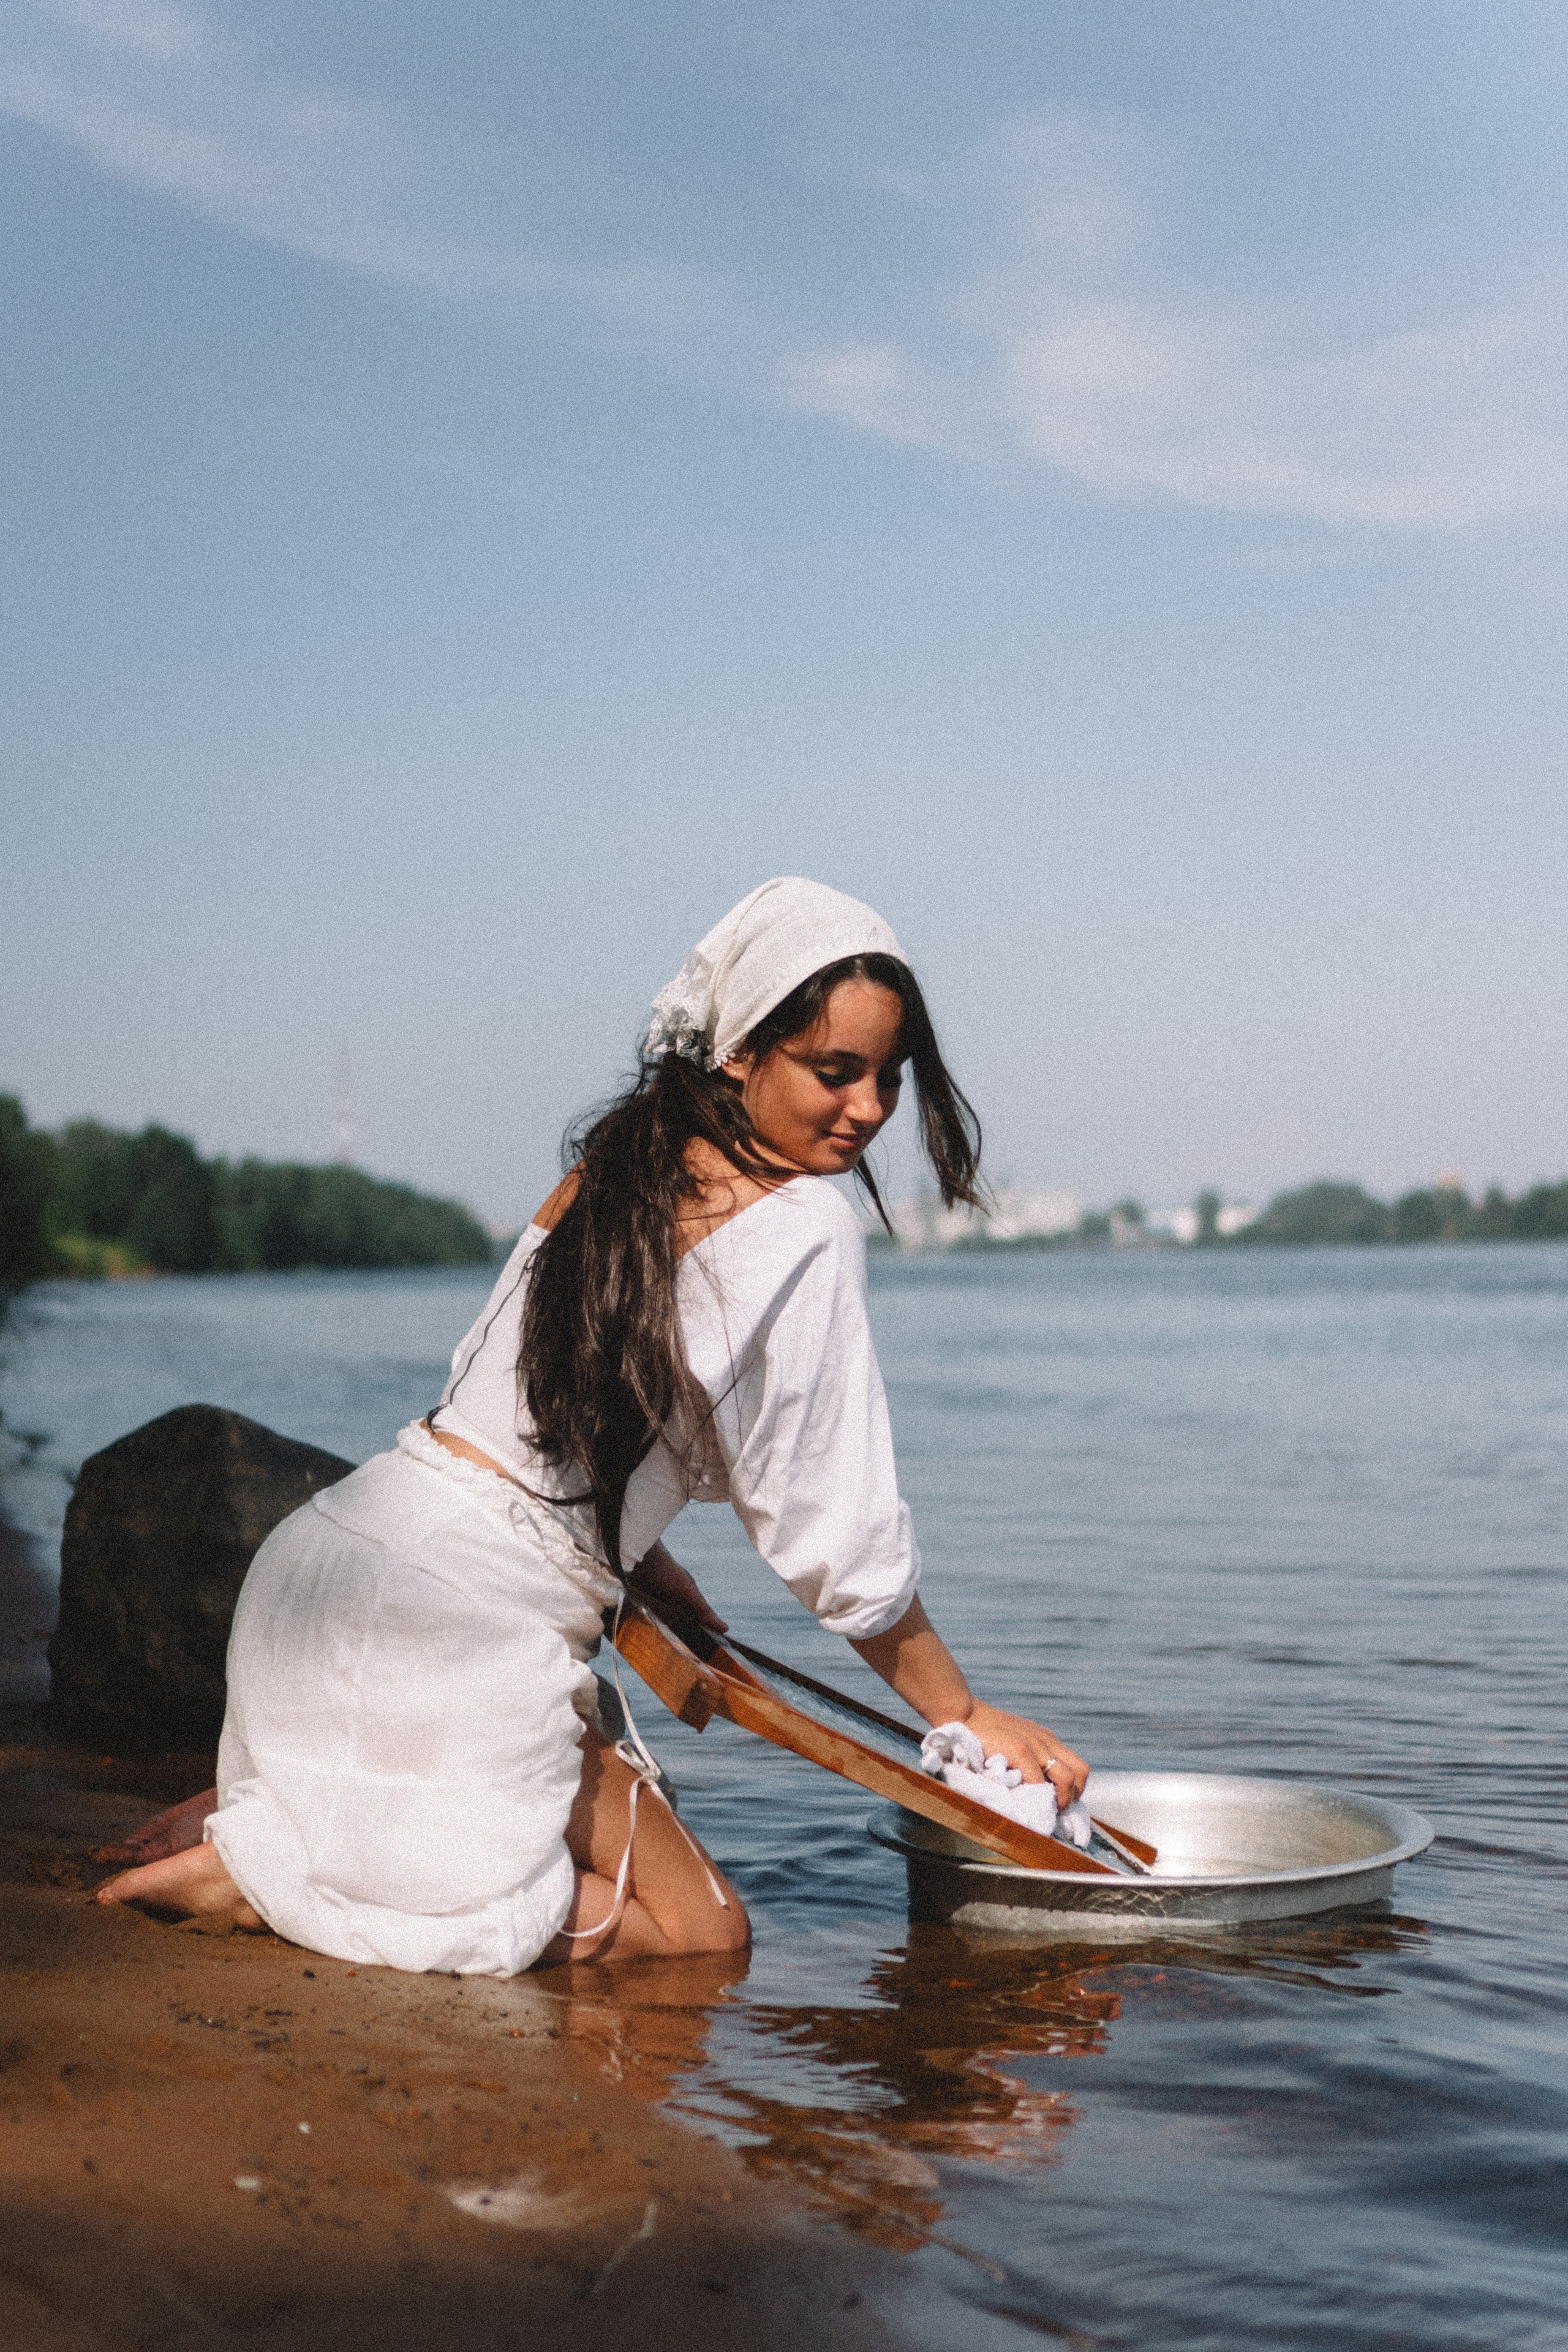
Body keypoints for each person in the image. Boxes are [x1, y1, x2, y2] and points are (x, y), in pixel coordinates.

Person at [99, 879, 1088, 1972]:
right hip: (455, 1635)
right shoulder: (809, 1224)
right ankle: (276, 1881)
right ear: (741, 1054)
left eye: (890, 1077)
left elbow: (506, 1408)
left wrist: (634, 1557)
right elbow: (834, 1537)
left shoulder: (616, 1165)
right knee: (700, 1936)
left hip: (322, 1572)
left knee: (584, 1865)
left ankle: (325, 1823)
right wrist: (963, 1714)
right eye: (834, 1070)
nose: (868, 1108)